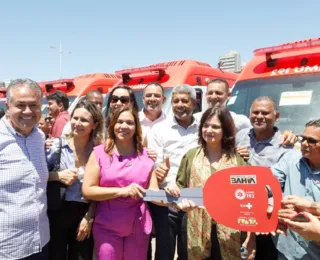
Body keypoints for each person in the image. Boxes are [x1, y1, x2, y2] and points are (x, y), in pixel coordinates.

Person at [167, 106, 255, 260]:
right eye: (206, 126)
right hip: (194, 228)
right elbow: (180, 189)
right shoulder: (191, 156)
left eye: (215, 126)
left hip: (230, 232)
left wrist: (251, 237)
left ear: (225, 130)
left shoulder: (239, 160)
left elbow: (250, 199)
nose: (209, 130)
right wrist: (174, 191)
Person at [82, 107, 158, 260]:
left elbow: (155, 194)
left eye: (129, 123)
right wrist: (121, 191)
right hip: (106, 226)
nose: (124, 126)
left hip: (138, 226)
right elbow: (87, 190)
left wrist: (174, 196)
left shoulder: (146, 156)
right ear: (112, 125)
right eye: (119, 122)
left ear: (136, 127)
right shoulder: (99, 153)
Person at [236, 96, 294, 259]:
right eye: (255, 112)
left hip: (267, 215)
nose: (259, 116)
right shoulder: (240, 136)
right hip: (238, 210)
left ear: (277, 117)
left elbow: (278, 181)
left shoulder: (285, 145)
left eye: (265, 113)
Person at [46, 99, 104, 260]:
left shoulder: (99, 152)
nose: (77, 123)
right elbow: (38, 176)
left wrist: (89, 216)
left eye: (84, 120)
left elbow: (101, 187)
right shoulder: (56, 146)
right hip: (57, 212)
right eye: (75, 118)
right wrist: (57, 176)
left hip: (84, 213)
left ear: (95, 124)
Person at [148, 84, 199, 260]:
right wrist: (160, 172)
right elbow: (153, 163)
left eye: (184, 100)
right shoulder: (159, 129)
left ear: (194, 103)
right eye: (176, 100)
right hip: (166, 201)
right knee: (164, 252)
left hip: (193, 200)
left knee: (189, 252)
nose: (179, 104)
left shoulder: (202, 128)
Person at [0, 79, 49, 259]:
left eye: (34, 105)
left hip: (40, 241)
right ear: (8, 106)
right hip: (7, 248)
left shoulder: (39, 137)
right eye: (21, 105)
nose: (28, 111)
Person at [270, 119, 320, 259]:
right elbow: (269, 182)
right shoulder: (292, 158)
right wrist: (269, 204)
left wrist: (308, 207)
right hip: (287, 249)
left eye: (312, 141)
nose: (304, 143)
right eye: (303, 138)